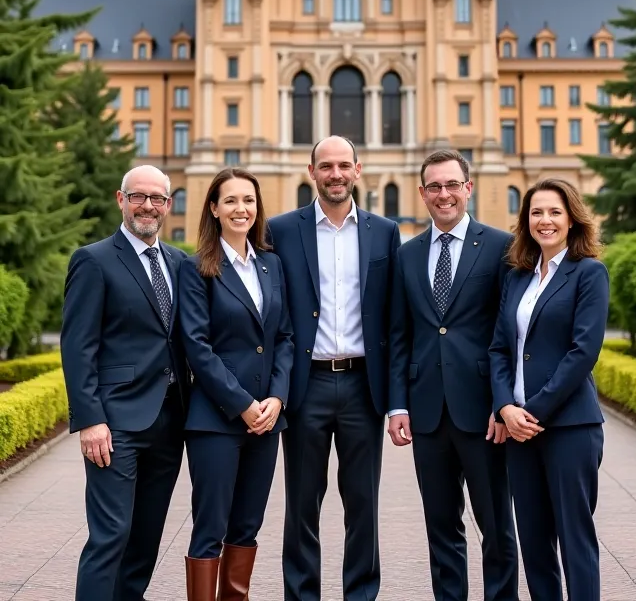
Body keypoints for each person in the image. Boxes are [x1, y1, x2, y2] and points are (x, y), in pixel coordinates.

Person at [268, 135, 401, 601]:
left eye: (344, 165)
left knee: (363, 505)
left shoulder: (384, 231)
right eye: (326, 166)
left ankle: (360, 595)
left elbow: (393, 318)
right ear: (312, 172)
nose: (336, 174)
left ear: (358, 170)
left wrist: (397, 399)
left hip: (364, 386)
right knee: (302, 505)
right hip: (308, 387)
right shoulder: (281, 230)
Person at [388, 149, 519, 601]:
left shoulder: (501, 247)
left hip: (484, 412)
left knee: (496, 527)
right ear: (422, 193)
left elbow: (508, 334)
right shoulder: (406, 255)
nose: (443, 195)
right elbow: (400, 334)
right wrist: (398, 404)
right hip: (427, 413)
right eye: (434, 187)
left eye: (451, 185)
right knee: (441, 528)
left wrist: (504, 404)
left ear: (468, 187)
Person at [62, 165, 188, 601]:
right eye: (139, 196)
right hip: (115, 426)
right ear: (121, 199)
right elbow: (77, 348)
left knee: (145, 538)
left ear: (169, 206)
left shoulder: (179, 263)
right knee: (110, 535)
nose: (148, 206)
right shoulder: (93, 260)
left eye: (157, 198)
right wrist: (90, 421)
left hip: (171, 423)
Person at [489, 178, 609, 601]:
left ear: (572, 219)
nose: (545, 221)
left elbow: (582, 353)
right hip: (519, 430)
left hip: (569, 427)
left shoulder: (589, 273)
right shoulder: (518, 278)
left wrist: (529, 412)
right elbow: (500, 348)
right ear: (526, 221)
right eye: (537, 212)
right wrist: (504, 405)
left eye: (555, 212)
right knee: (535, 545)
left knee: (575, 541)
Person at [179, 167, 293, 601]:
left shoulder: (272, 264)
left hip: (267, 420)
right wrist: (243, 403)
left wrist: (277, 399)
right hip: (216, 421)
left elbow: (284, 337)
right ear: (214, 208)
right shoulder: (198, 269)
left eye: (248, 200)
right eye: (230, 200)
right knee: (210, 527)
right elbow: (197, 346)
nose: (240, 208)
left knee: (247, 526)